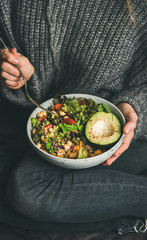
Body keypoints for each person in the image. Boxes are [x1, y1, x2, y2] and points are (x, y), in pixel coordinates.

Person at [0, 0, 147, 235]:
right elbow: (12, 55)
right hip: (46, 119)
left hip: (131, 130)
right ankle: (121, 222)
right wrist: (21, 74)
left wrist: (137, 107)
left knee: (27, 191)